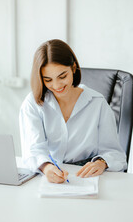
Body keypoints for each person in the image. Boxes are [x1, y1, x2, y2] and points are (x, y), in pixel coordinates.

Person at [19, 39, 127, 184]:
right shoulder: (33, 103)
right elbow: (32, 150)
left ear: (73, 67)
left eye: (62, 76)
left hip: (87, 179)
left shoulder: (97, 103)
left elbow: (115, 154)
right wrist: (47, 168)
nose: (56, 85)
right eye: (48, 79)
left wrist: (101, 163)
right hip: (46, 177)